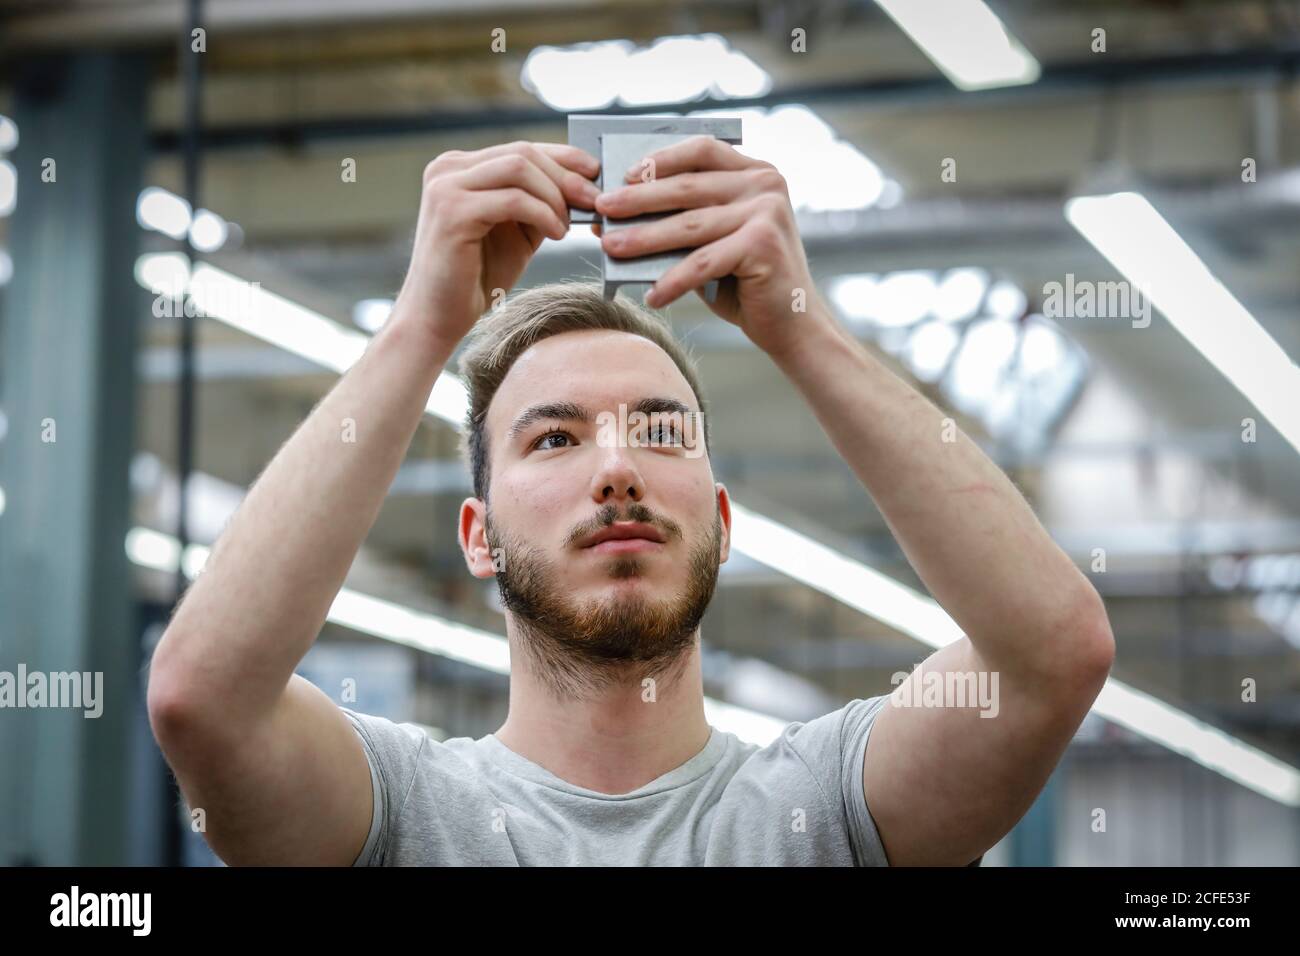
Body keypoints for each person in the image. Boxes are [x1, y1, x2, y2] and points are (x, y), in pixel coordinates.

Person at [147, 138, 1115, 866]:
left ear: (724, 523)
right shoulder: (404, 814)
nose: (617, 469)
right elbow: (204, 700)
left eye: (659, 431)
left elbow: (1051, 654)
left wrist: (800, 328)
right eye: (554, 437)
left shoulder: (818, 810)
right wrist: (419, 326)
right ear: (477, 538)